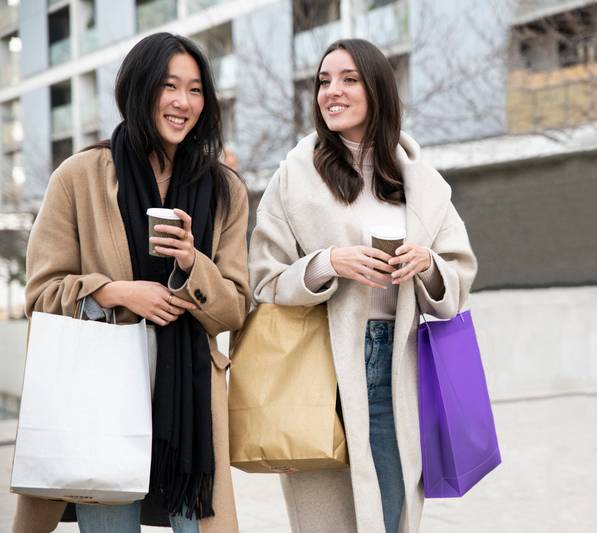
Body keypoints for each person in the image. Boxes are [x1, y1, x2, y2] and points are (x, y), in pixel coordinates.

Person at [13, 32, 249, 532]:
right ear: (138, 90)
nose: (183, 102)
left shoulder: (224, 189)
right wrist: (114, 292)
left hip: (190, 410)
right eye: (169, 86)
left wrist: (192, 264)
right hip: (103, 392)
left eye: (195, 90)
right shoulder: (80, 176)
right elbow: (40, 293)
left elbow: (233, 310)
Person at [248, 38, 478, 533]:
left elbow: (458, 278)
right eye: (323, 81)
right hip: (321, 366)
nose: (332, 91)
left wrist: (427, 264)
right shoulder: (293, 178)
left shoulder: (424, 183)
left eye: (348, 79)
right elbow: (264, 281)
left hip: (400, 368)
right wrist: (329, 262)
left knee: (393, 516)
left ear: (377, 90)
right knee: (328, 520)